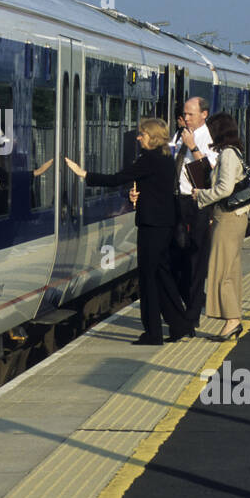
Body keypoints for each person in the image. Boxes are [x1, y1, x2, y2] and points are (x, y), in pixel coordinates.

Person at [65, 118, 184, 346]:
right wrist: (138, 196)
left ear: (152, 136)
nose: (138, 138)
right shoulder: (165, 158)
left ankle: (153, 333)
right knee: (163, 275)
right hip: (164, 224)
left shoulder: (148, 159)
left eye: (142, 134)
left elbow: (117, 179)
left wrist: (84, 174)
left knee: (148, 279)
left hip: (151, 226)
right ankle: (180, 325)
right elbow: (156, 189)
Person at [195, 113, 250, 340]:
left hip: (228, 218)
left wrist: (201, 195)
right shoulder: (233, 152)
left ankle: (232, 320)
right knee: (231, 270)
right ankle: (233, 317)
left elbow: (225, 188)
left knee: (222, 271)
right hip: (234, 217)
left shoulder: (227, 154)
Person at [170, 97, 218, 340]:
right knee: (176, 260)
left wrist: (193, 147)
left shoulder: (208, 139)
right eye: (184, 114)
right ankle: (190, 304)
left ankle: (191, 316)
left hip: (197, 203)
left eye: (190, 114)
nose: (185, 118)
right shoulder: (180, 136)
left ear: (204, 115)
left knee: (196, 261)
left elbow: (210, 175)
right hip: (177, 202)